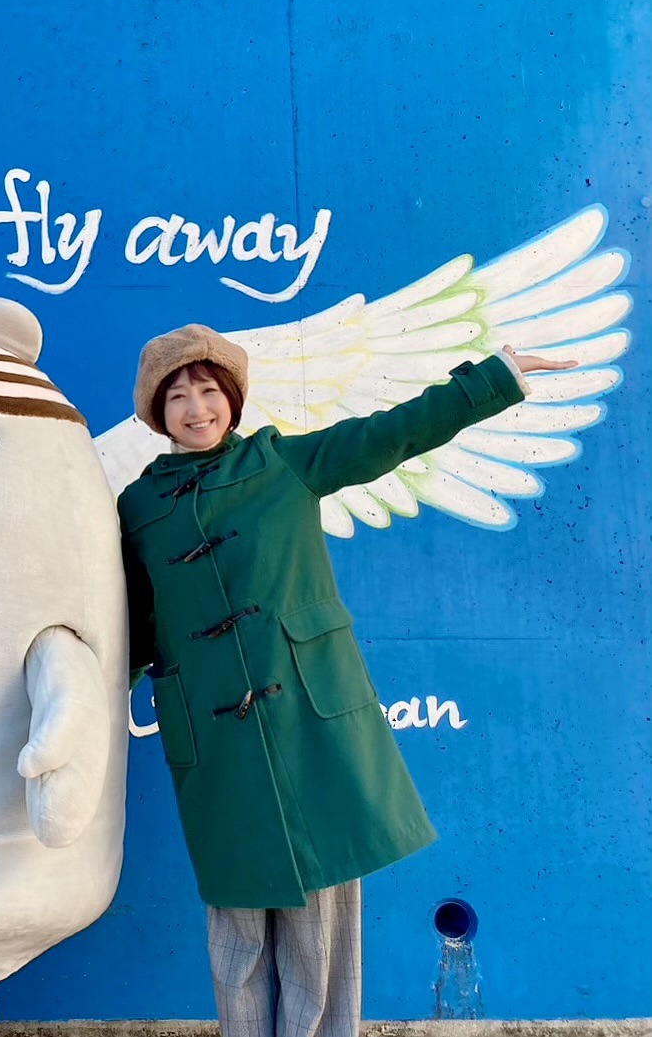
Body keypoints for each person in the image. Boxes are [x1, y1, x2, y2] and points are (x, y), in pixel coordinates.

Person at [118, 324, 573, 1037]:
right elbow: (132, 621)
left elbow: (391, 434)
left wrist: (495, 377)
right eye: (177, 396)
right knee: (237, 931)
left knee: (320, 929)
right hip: (213, 738)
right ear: (156, 411)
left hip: (307, 723)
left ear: (232, 398)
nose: (196, 408)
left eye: (208, 390)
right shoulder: (139, 506)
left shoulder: (283, 462)